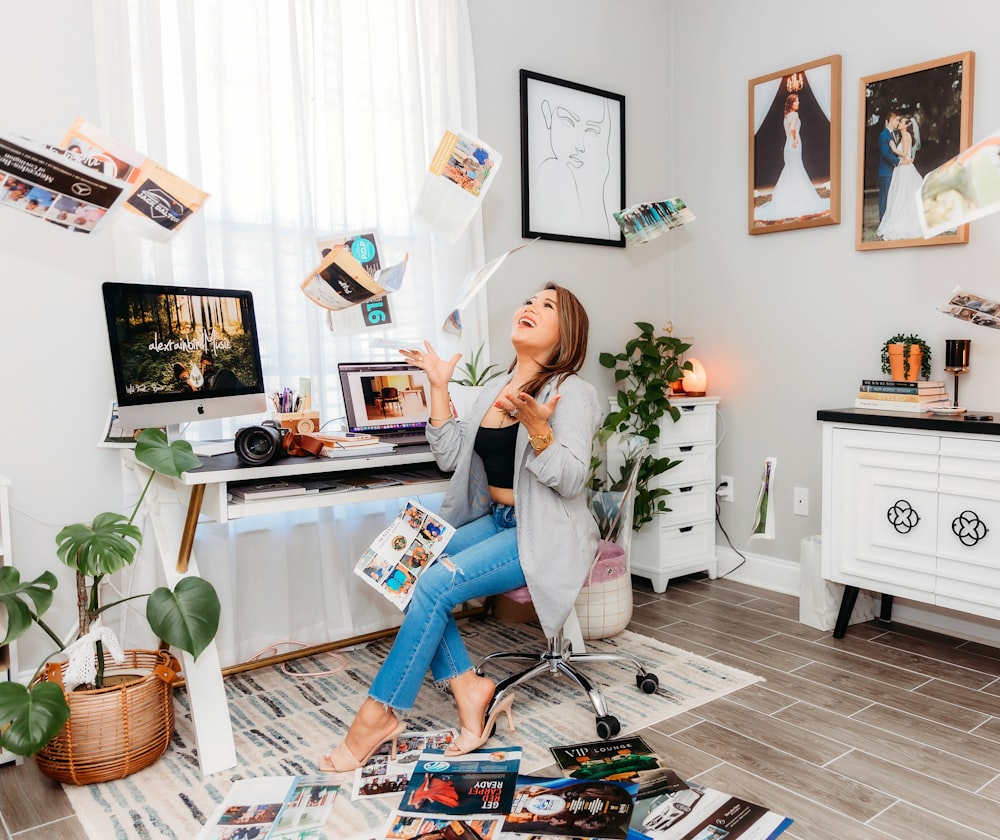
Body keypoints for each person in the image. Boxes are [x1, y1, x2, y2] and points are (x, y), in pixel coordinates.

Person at [320, 282, 601, 772]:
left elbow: (573, 480)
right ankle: (470, 687)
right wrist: (438, 386)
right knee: (401, 569)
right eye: (529, 298)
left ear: (567, 334)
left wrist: (539, 430)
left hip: (544, 531)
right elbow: (451, 456)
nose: (530, 306)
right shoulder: (497, 385)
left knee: (431, 584)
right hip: (497, 521)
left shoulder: (572, 392)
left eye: (547, 305)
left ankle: (378, 715)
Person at [755, 93, 829, 222]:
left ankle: (790, 197)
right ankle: (799, 197)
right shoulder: (794, 115)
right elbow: (793, 129)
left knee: (791, 169)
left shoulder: (786, 116)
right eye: (796, 101)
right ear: (791, 103)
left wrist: (792, 139)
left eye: (798, 101)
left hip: (787, 145)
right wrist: (795, 139)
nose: (798, 103)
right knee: (795, 169)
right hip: (794, 144)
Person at [877, 116, 923, 240]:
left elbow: (904, 153)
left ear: (907, 125)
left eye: (901, 122)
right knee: (899, 194)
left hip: (904, 168)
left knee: (903, 194)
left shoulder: (906, 135)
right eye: (899, 121)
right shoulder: (901, 136)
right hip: (901, 168)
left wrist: (893, 148)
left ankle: (904, 219)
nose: (899, 123)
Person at [877, 111, 902, 221]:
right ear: (891, 120)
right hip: (885, 172)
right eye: (897, 120)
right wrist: (898, 162)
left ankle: (889, 220)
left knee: (891, 197)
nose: (898, 122)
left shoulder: (893, 134)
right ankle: (882, 220)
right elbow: (885, 153)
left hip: (892, 171)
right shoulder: (883, 135)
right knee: (885, 197)